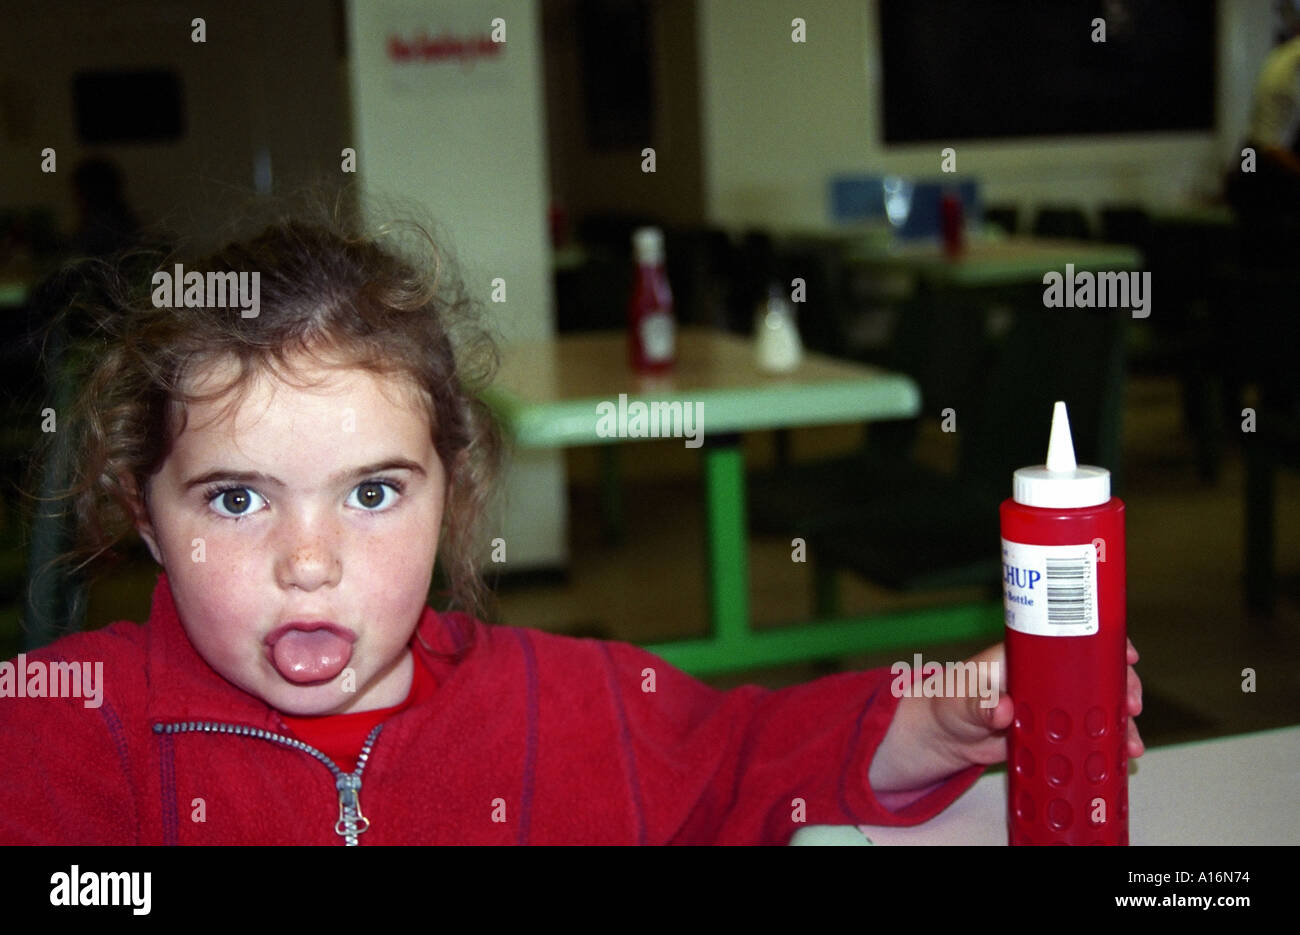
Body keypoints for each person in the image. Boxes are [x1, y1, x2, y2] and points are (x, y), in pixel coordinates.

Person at [0, 207, 1144, 844]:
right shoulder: (59, 735)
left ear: (455, 491)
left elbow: (743, 757)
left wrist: (930, 723)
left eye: (374, 491)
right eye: (237, 499)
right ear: (142, 511)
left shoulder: (574, 704)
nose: (310, 561)